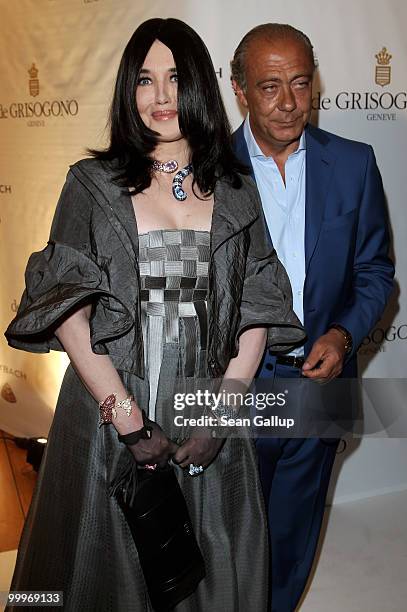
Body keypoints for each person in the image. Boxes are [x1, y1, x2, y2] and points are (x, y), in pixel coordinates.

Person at [5, 18, 305, 612]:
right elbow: (70, 315)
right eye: (145, 80)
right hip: (109, 408)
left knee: (212, 572)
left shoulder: (236, 188)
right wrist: (128, 420)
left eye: (175, 78)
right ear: (127, 90)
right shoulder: (90, 184)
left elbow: (255, 310)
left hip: (209, 404)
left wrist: (223, 413)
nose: (161, 97)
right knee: (101, 577)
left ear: (200, 86)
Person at [231, 23, 394, 612]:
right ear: (239, 90)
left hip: (317, 384)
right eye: (269, 86)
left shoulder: (353, 164)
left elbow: (376, 272)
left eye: (301, 83)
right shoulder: (204, 173)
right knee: (225, 537)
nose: (289, 102)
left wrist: (344, 334)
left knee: (292, 538)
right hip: (234, 390)